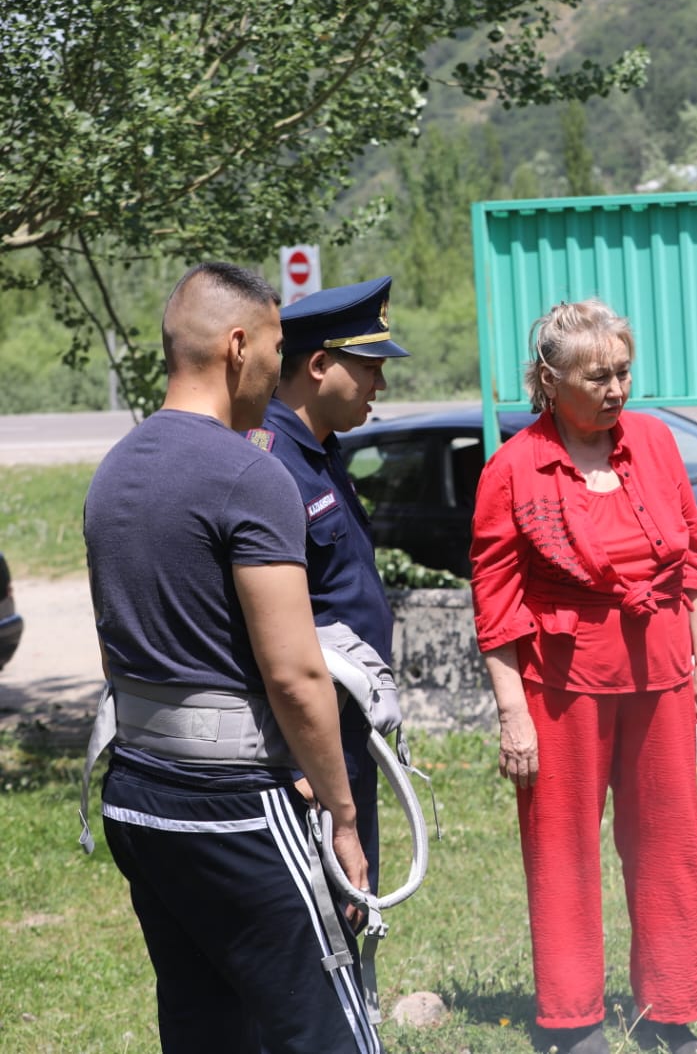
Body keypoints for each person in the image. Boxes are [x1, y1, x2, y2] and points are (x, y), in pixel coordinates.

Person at [81, 262, 378, 1052]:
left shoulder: (114, 471)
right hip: (236, 808)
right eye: (278, 348)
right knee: (328, 1031)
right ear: (238, 346)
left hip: (137, 797)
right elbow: (293, 671)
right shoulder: (250, 474)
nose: (280, 369)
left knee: (205, 1026)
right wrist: (344, 820)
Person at [469, 299, 697, 1054]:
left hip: (660, 678)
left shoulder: (653, 442)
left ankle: (671, 1012)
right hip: (561, 687)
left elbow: (696, 561)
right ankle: (572, 1018)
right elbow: (496, 603)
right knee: (563, 852)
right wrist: (512, 713)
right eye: (597, 376)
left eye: (623, 371)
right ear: (550, 381)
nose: (616, 389)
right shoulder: (512, 468)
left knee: (668, 849)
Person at [249, 276, 410, 894]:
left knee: (355, 895)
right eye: (369, 367)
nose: (381, 384)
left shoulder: (320, 451)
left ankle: (359, 994)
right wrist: (300, 759)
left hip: (345, 725)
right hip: (304, 740)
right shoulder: (267, 460)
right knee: (324, 906)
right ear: (318, 364)